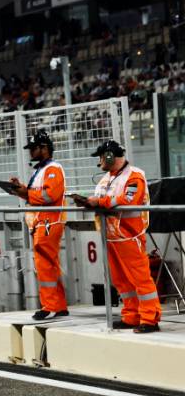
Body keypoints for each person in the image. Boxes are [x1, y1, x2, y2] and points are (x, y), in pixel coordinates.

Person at [82, 140, 161, 333]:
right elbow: (106, 201)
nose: (100, 161)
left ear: (110, 156)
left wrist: (99, 202)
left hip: (129, 236)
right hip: (111, 237)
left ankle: (150, 318)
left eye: (101, 157)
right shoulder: (106, 179)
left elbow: (129, 199)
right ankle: (131, 316)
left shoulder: (134, 176)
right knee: (121, 280)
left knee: (140, 279)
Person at [8, 129, 68, 320]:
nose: (30, 152)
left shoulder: (53, 169)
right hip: (43, 222)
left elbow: (49, 196)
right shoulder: (41, 170)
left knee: (45, 266)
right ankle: (59, 305)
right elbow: (37, 195)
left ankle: (50, 306)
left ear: (44, 148)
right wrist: (20, 189)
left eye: (33, 148)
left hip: (49, 222)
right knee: (50, 265)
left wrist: (26, 193)